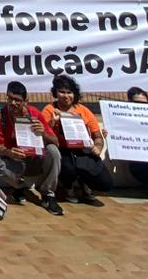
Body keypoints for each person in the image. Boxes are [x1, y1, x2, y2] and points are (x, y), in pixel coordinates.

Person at [0, 80, 63, 216]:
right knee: (1, 166)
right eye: (10, 98)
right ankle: (20, 187)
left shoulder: (34, 114)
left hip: (35, 157)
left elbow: (56, 142)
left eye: (17, 100)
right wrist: (9, 152)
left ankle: (48, 194)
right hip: (16, 159)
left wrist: (43, 133)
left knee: (53, 151)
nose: (13, 103)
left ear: (25, 101)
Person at [41, 75, 112, 206]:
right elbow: (42, 135)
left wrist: (98, 147)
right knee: (67, 167)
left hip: (82, 149)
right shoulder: (49, 110)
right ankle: (69, 188)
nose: (66, 96)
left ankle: (85, 184)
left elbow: (97, 136)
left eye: (69, 92)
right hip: (62, 149)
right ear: (55, 93)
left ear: (75, 94)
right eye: (62, 92)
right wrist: (52, 122)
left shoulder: (83, 110)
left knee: (105, 182)